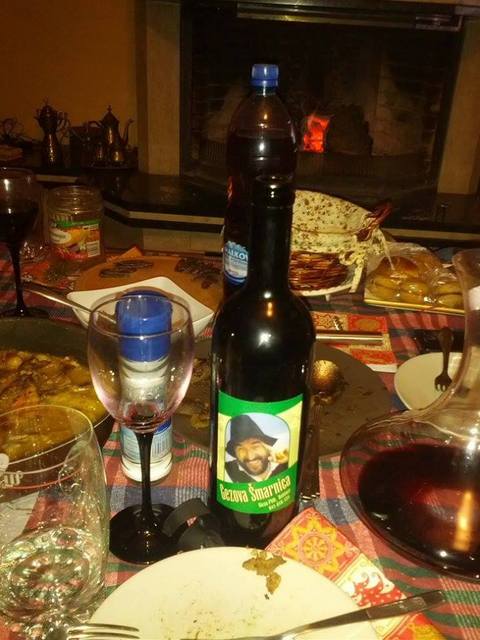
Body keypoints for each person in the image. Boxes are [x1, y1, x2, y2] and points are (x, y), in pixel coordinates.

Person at [224, 414, 288, 483]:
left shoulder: (285, 463)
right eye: (241, 449)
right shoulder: (227, 470)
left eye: (255, 446)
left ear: (267, 446)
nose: (250, 456)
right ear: (235, 452)